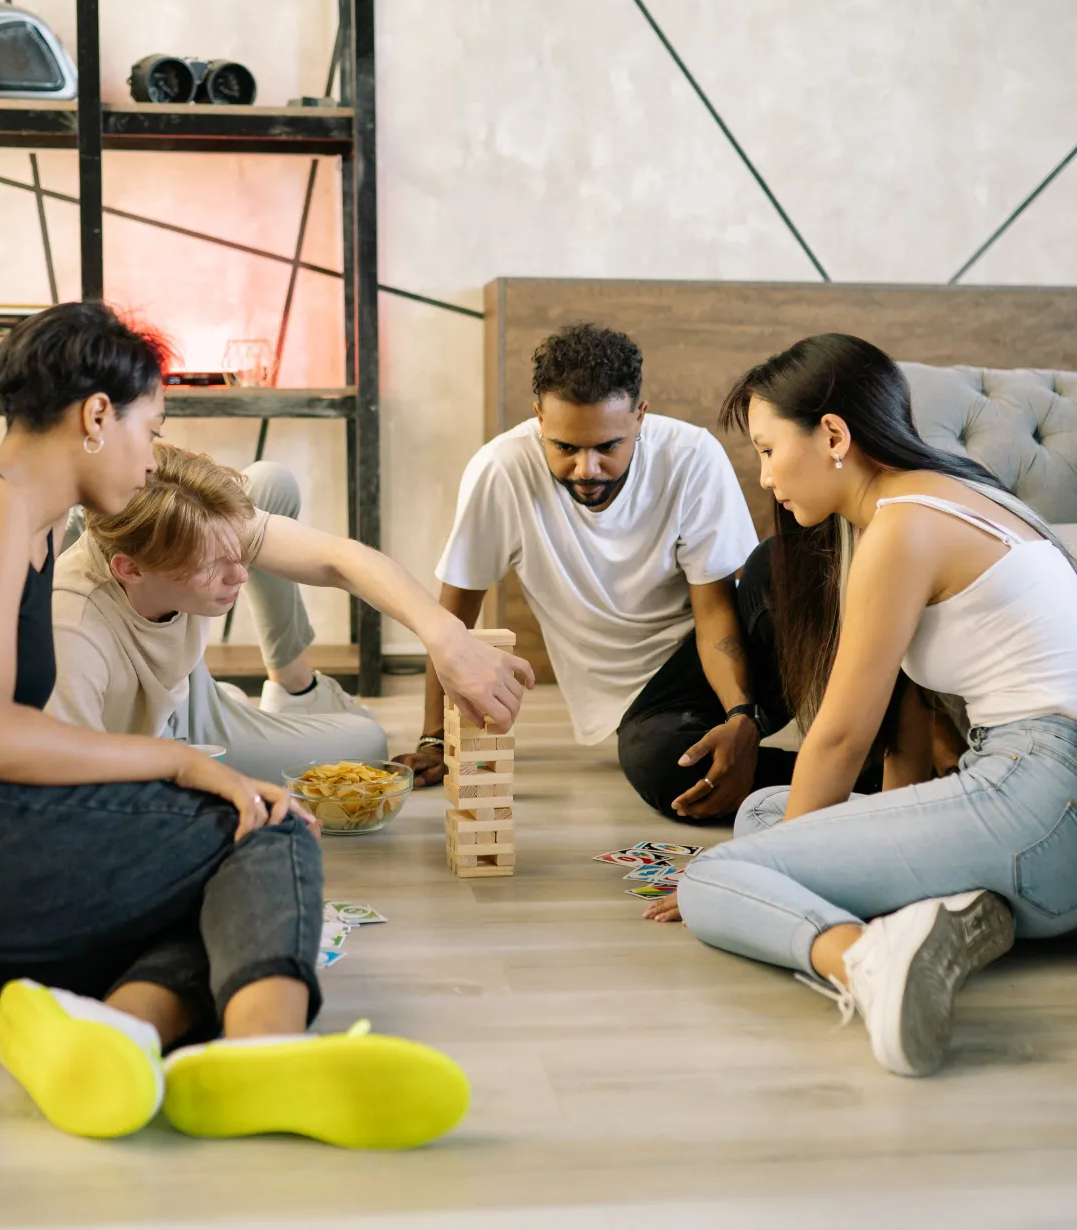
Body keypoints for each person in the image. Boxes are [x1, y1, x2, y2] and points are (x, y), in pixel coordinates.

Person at [0, 302, 527, 1144]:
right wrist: (180, 764)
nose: (152, 460)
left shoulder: (23, 519)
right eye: (154, 427)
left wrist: (446, 639)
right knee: (267, 826)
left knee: (215, 872)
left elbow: (331, 556)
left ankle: (122, 1031)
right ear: (98, 416)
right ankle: (264, 1051)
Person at [647, 333, 1077, 1077]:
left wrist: (767, 873)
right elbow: (901, 743)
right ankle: (956, 914)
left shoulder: (904, 527)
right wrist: (784, 847)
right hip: (1044, 816)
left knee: (716, 876)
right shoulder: (949, 495)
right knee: (758, 815)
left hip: (1040, 797)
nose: (764, 476)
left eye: (769, 449)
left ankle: (867, 962)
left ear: (834, 436)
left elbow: (841, 740)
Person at [398, 322, 783, 823]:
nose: (586, 468)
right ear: (538, 418)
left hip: (728, 665)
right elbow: (449, 623)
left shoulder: (691, 456)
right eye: (565, 448)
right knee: (658, 767)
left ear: (640, 417)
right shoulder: (500, 471)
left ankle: (858, 745)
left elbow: (715, 612)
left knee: (781, 564)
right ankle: (858, 780)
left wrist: (741, 713)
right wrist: (434, 739)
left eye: (607, 447)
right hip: (652, 709)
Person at [51, 441, 501, 786]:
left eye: (239, 553)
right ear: (129, 569)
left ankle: (280, 692)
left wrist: (446, 636)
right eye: (211, 566)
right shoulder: (72, 629)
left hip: (189, 697)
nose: (240, 576)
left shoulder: (193, 525)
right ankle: (236, 707)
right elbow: (76, 793)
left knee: (365, 737)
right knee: (367, 745)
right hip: (144, 751)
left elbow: (339, 560)